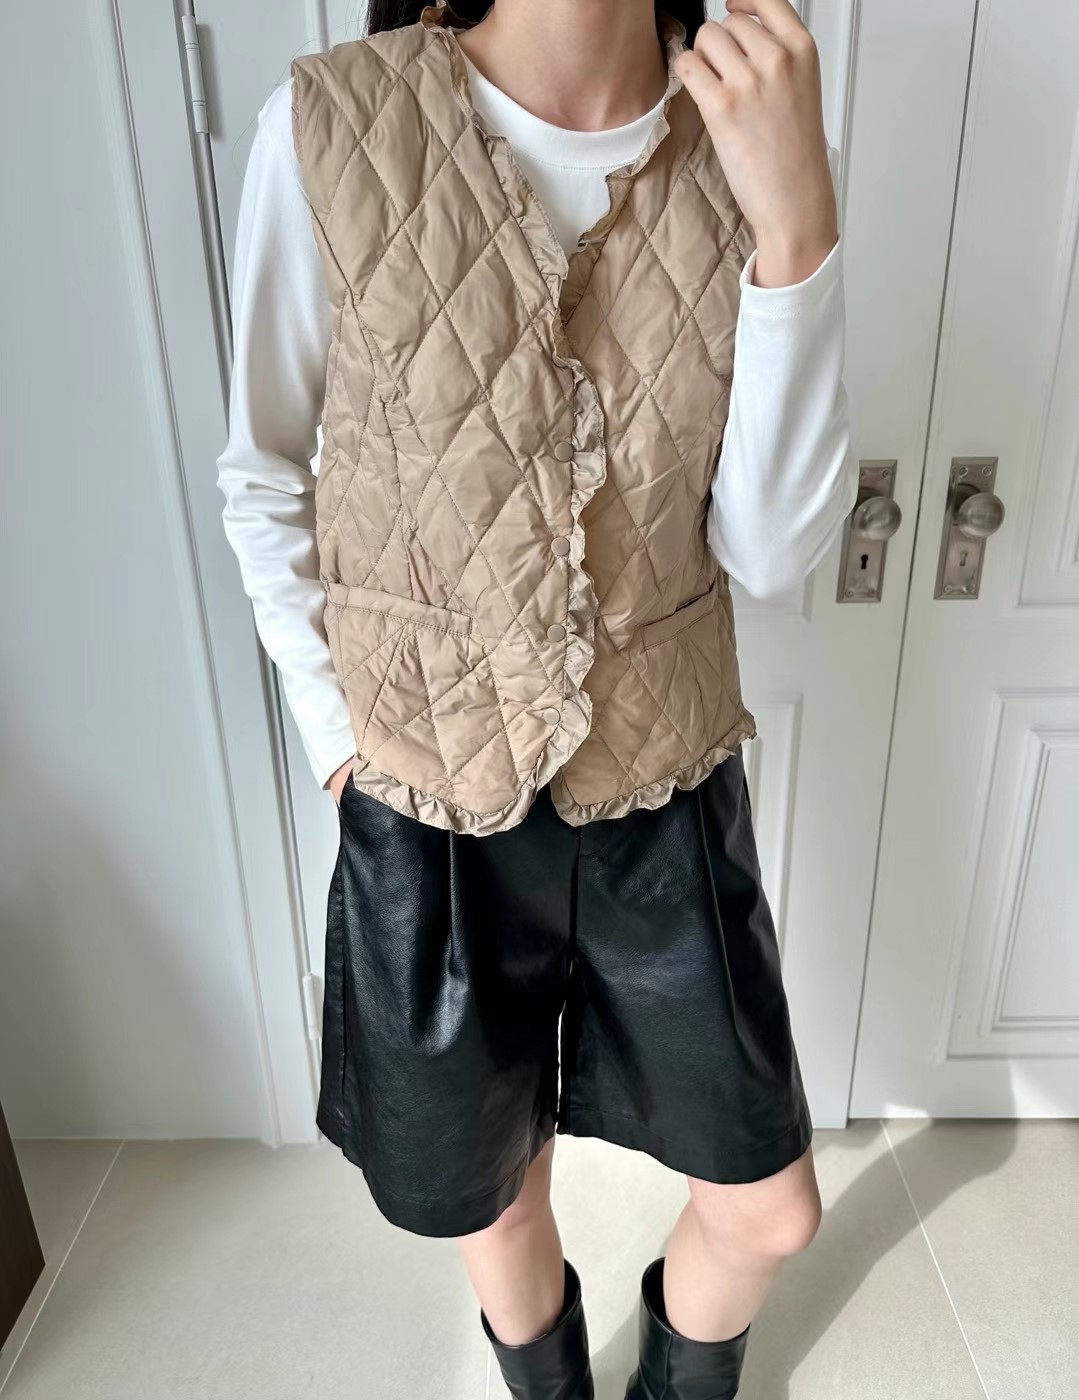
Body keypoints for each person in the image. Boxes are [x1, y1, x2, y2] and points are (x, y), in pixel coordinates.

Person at [216, 1, 856, 1395]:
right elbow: (265, 472)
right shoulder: (329, 121)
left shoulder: (744, 125)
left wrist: (798, 228)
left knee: (769, 1207)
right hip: (429, 790)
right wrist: (341, 748)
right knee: (491, 1195)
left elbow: (769, 549)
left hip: (663, 782)